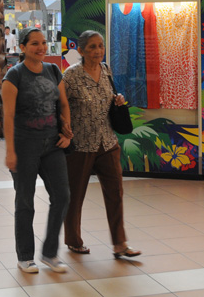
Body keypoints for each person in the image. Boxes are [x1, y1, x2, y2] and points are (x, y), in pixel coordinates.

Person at [62, 30, 141, 259]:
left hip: (107, 143)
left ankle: (120, 244)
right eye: (92, 47)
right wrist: (63, 127)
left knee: (115, 193)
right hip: (80, 145)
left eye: (101, 46)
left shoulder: (106, 70)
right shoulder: (71, 76)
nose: (98, 51)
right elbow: (60, 105)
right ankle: (73, 240)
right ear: (81, 50)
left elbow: (109, 99)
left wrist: (118, 100)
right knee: (75, 195)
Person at [2, 27, 72, 274]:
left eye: (43, 43)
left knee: (62, 196)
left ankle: (50, 253)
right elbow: (8, 116)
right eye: (34, 44)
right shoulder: (14, 76)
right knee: (25, 202)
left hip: (52, 145)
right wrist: (10, 151)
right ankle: (25, 257)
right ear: (22, 47)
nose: (41, 47)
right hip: (24, 146)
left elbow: (63, 104)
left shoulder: (53, 70)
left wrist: (67, 132)